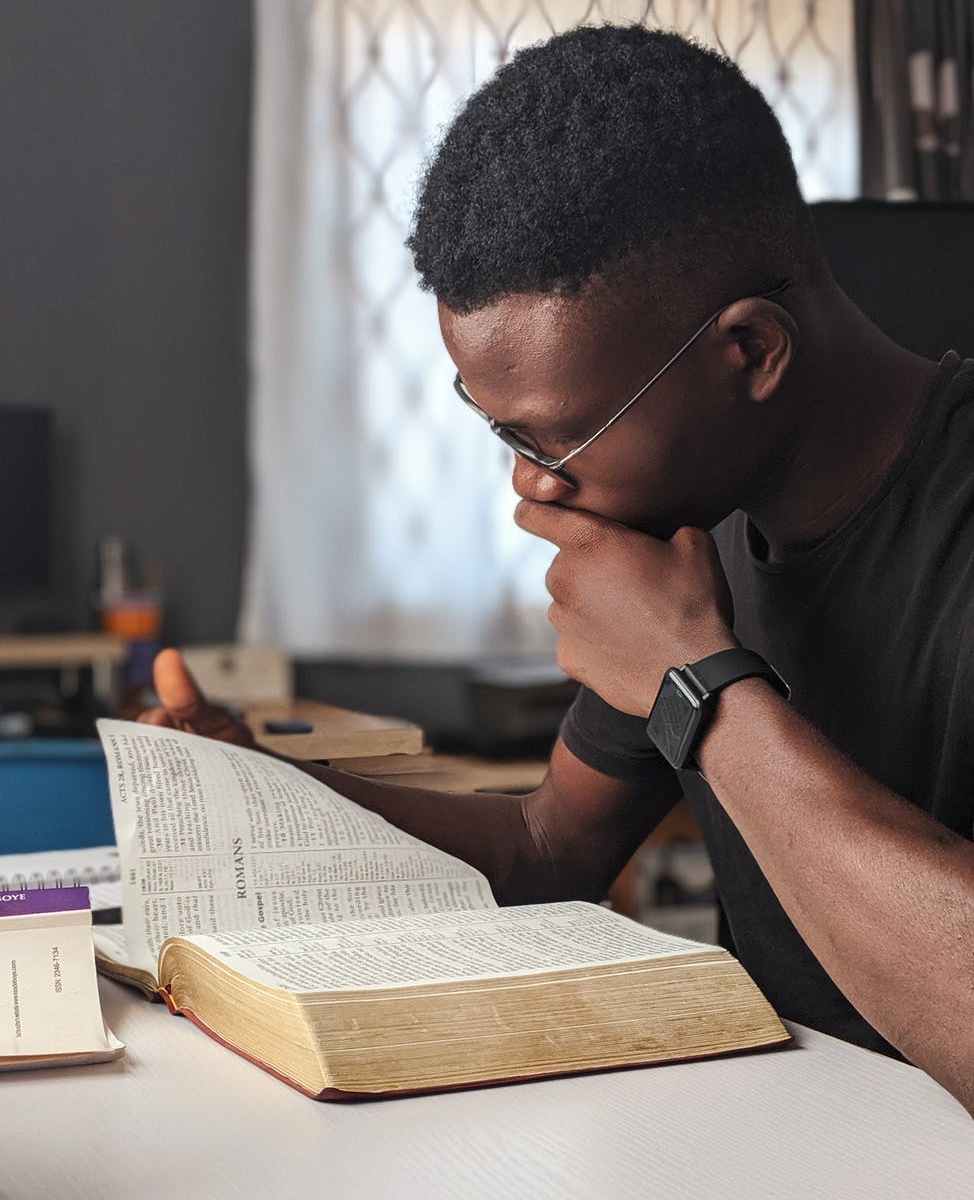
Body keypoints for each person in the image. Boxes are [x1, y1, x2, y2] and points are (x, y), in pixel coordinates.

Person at [140, 26, 974, 1112]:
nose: (531, 490)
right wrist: (265, 792)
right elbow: (549, 847)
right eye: (503, 439)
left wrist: (702, 692)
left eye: (552, 440)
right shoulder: (690, 523)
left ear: (749, 353)